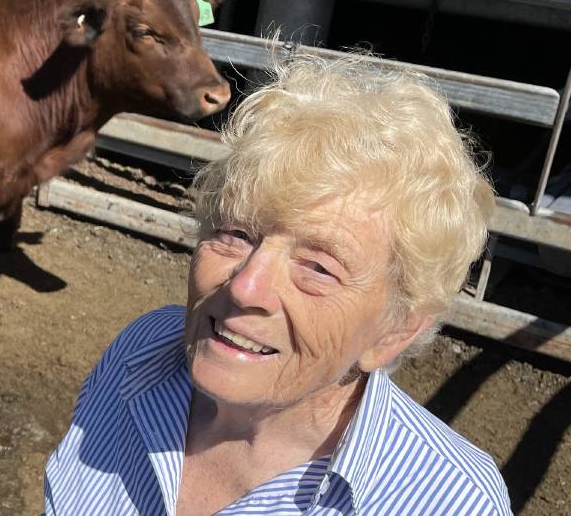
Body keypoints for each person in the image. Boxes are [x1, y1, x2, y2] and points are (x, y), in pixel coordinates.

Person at [43, 54, 512, 515]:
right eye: (236, 233)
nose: (245, 287)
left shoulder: (452, 504)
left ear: (396, 331)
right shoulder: (141, 352)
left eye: (319, 268)